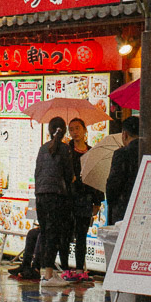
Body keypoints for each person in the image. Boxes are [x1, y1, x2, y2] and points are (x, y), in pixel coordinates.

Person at [33, 117, 73, 287]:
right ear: (64, 131)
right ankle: (49, 275)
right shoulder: (64, 149)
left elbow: (37, 172)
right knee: (53, 233)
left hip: (41, 194)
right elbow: (68, 175)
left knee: (45, 232)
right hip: (56, 196)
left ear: (49, 130)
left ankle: (46, 272)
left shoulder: (43, 149)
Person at [64, 119, 95, 282]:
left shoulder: (91, 152)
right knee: (67, 233)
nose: (75, 132)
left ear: (84, 130)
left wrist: (97, 201)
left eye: (77, 128)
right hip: (69, 198)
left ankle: (79, 269)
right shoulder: (66, 151)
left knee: (82, 235)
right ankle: (65, 268)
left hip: (85, 198)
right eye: (71, 129)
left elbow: (96, 176)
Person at [105, 116, 140, 224]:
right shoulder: (149, 151)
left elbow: (113, 184)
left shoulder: (122, 154)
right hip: (142, 207)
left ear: (124, 134)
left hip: (123, 209)